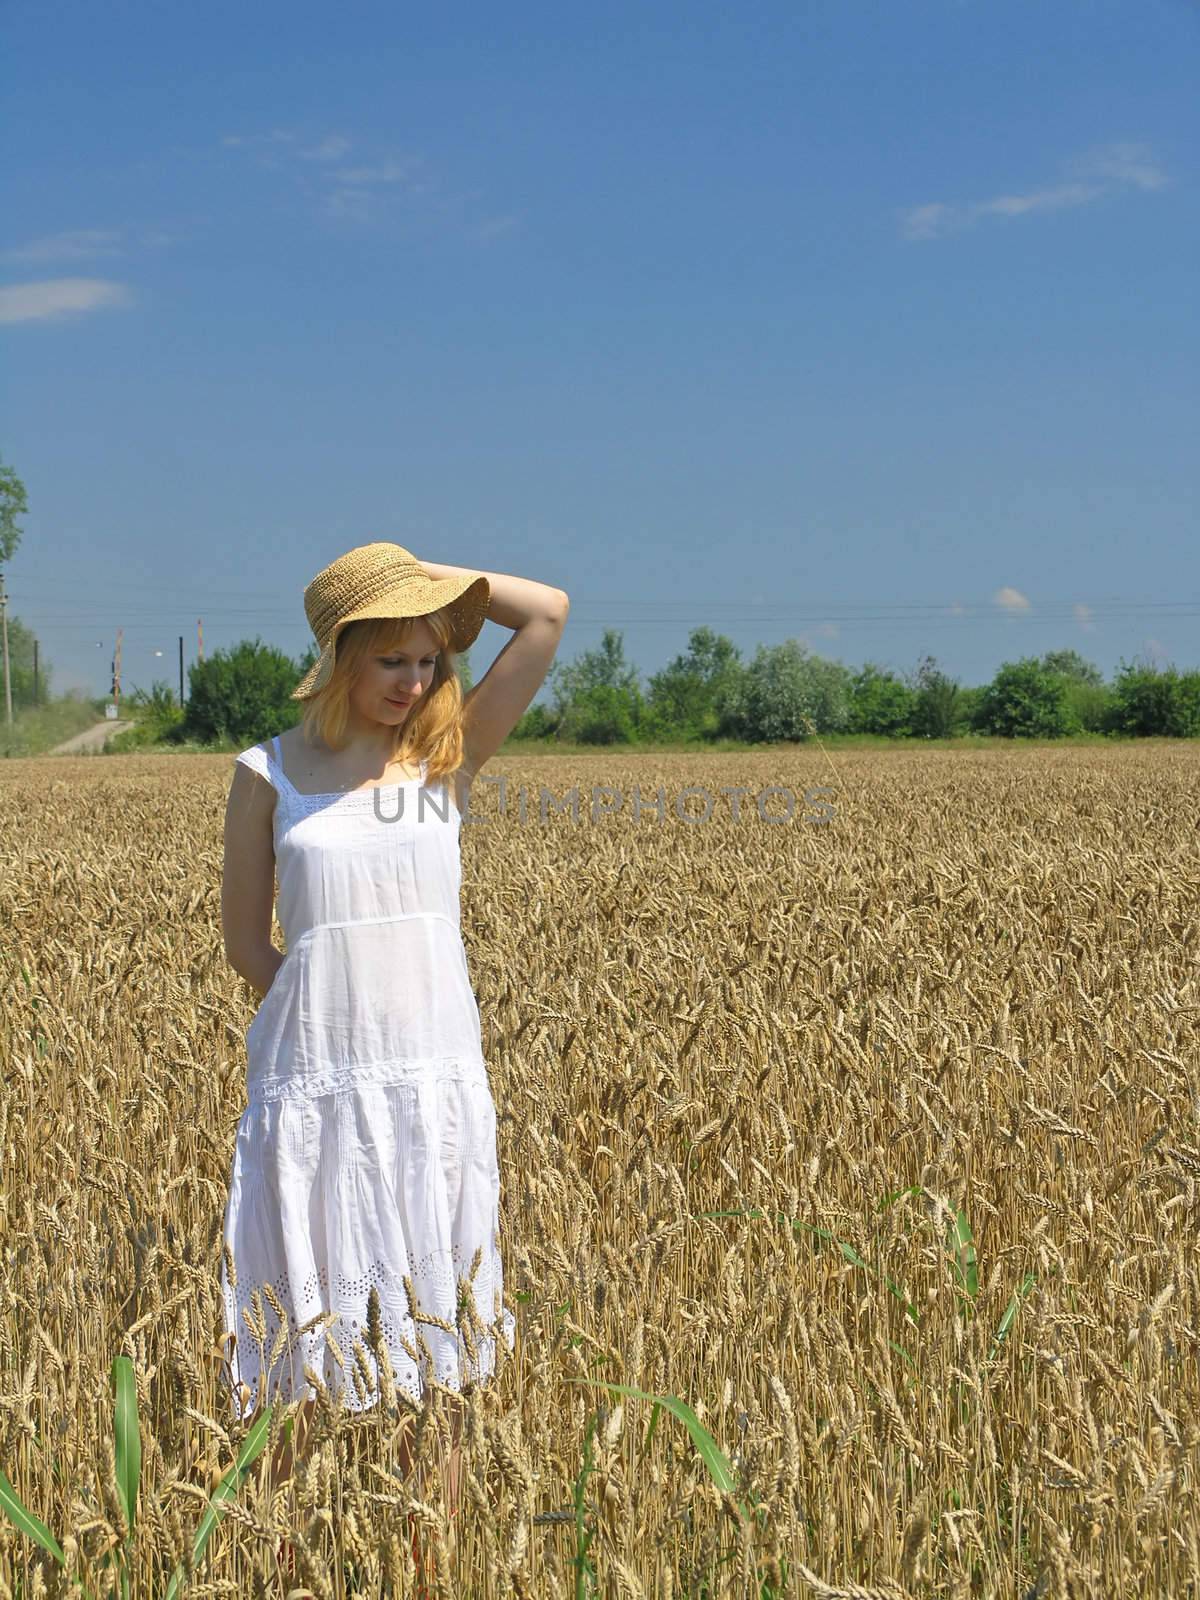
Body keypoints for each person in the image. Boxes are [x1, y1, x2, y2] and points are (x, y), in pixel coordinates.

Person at [219, 542, 568, 1564]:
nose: (414, 683)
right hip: (317, 1085)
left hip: (431, 1080)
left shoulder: (442, 758)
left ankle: (429, 1565)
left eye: (429, 660)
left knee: (439, 1339)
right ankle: (284, 1562)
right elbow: (248, 941)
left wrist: (423, 572)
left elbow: (544, 614)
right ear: (340, 658)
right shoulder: (267, 772)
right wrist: (327, 1022)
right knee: (299, 1334)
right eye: (392, 661)